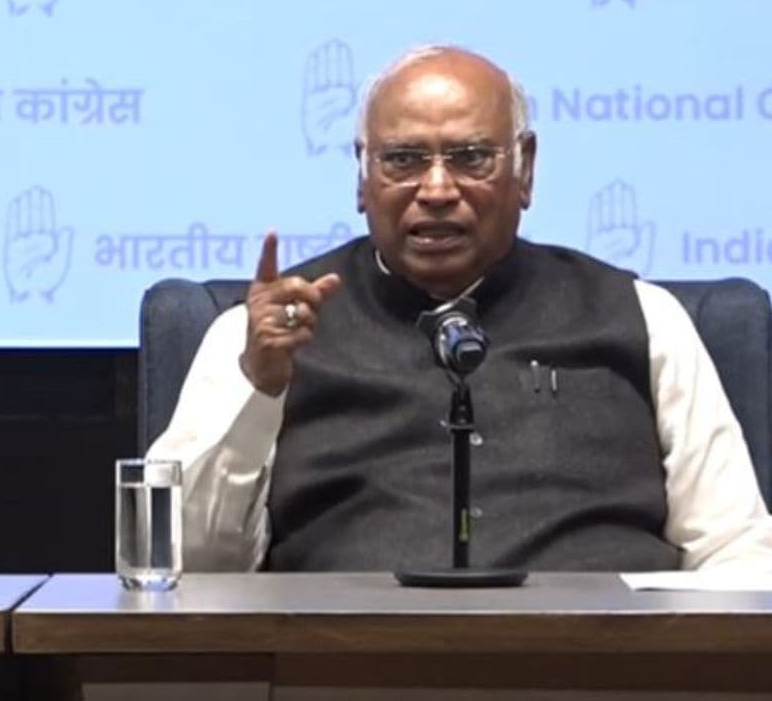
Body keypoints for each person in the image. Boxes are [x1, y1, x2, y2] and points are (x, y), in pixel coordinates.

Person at [150, 45, 772, 572]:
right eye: (403, 160)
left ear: (525, 169)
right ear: (362, 176)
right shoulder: (263, 334)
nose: (437, 189)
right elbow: (180, 566)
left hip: (606, 660)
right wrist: (259, 387)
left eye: (471, 158)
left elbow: (737, 552)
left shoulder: (643, 318)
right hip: (344, 658)